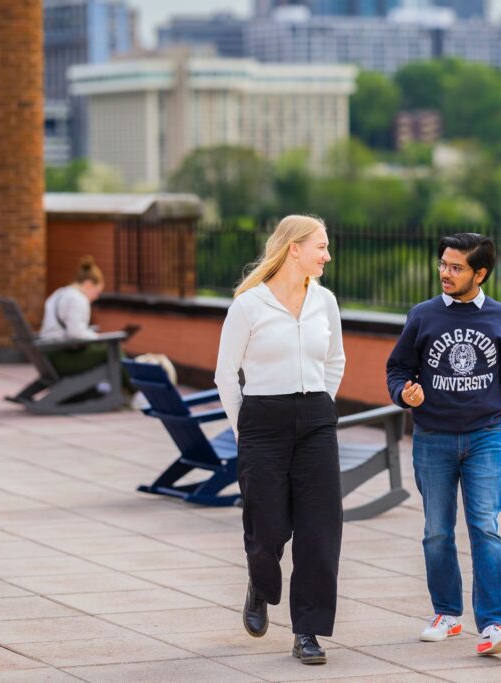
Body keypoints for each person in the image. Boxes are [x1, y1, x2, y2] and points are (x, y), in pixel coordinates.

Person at [386, 232, 501, 656]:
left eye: (456, 267)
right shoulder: (422, 316)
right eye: (443, 264)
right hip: (432, 439)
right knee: (437, 532)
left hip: (485, 438)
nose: (445, 273)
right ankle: (447, 615)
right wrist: (405, 394)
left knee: (485, 528)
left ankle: (493, 625)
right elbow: (397, 369)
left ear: (480, 273)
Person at [214, 215, 346, 666]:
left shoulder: (324, 301)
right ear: (294, 248)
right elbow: (225, 374)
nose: (327, 255)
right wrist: (243, 426)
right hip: (262, 421)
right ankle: (261, 583)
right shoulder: (249, 305)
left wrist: (320, 405)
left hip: (315, 420)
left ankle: (308, 630)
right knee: (267, 526)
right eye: (320, 247)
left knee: (320, 531)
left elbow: (335, 360)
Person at [40, 256, 137, 396]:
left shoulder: (59, 293)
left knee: (109, 348)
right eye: (97, 292)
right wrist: (98, 338)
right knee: (114, 350)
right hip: (60, 358)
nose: (97, 297)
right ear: (89, 284)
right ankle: (135, 391)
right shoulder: (78, 299)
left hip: (48, 354)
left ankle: (119, 389)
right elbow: (76, 333)